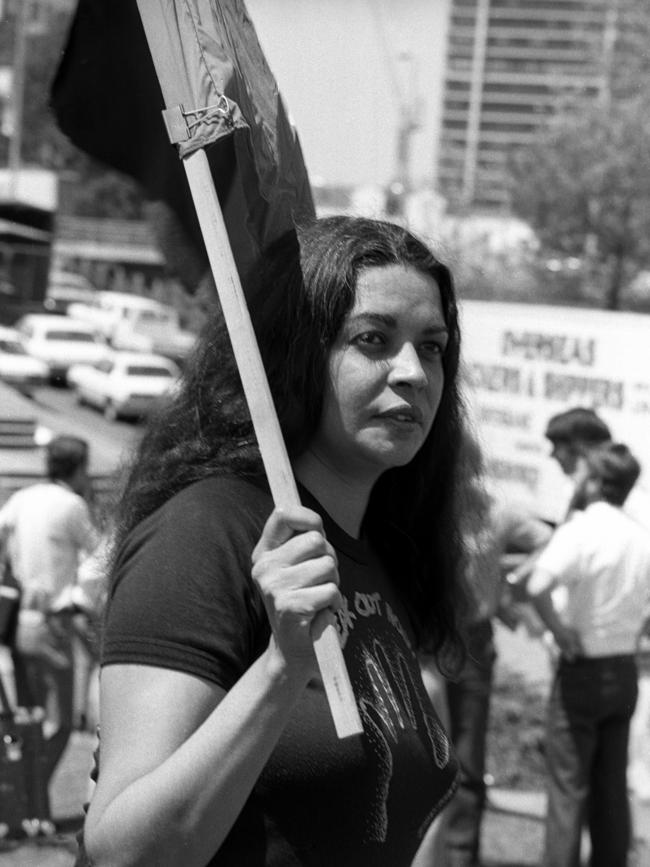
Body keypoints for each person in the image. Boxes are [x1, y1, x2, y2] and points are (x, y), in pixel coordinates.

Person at [78, 216, 473, 867]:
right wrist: (281, 666)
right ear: (295, 353)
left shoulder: (381, 547)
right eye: (372, 339)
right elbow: (128, 851)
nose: (413, 371)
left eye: (432, 346)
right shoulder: (206, 532)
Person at [526, 442, 650, 867]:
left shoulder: (581, 528)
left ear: (596, 481)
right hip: (623, 667)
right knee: (611, 785)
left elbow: (538, 585)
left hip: (582, 667)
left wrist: (560, 633)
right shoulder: (640, 534)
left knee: (568, 787)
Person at [438, 438, 553, 867]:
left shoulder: (496, 512)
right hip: (423, 635)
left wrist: (509, 582)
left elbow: (552, 542)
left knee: (466, 760)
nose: (461, 473)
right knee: (414, 752)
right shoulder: (426, 504)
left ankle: (461, 856)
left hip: (472, 641)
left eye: (465, 465)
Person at [0, 435, 100, 784]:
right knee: (60, 722)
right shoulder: (71, 505)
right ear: (79, 468)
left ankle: (18, 792)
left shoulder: (22, 498)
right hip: (54, 623)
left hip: (19, 621)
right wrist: (79, 600)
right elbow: (99, 556)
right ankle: (26, 793)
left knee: (31, 715)